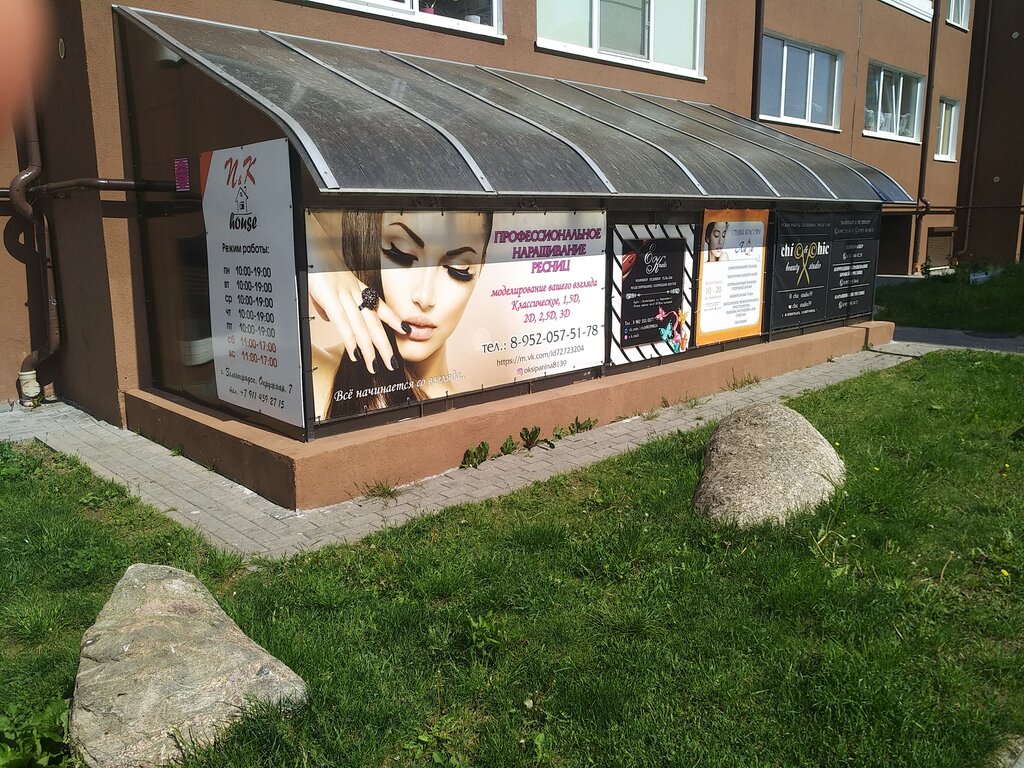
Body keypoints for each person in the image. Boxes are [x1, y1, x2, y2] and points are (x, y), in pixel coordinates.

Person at [307, 210, 492, 419]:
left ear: (481, 269)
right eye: (401, 254)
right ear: (366, 245)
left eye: (458, 269)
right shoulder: (312, 375)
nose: (424, 298)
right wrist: (314, 250)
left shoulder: (480, 410)